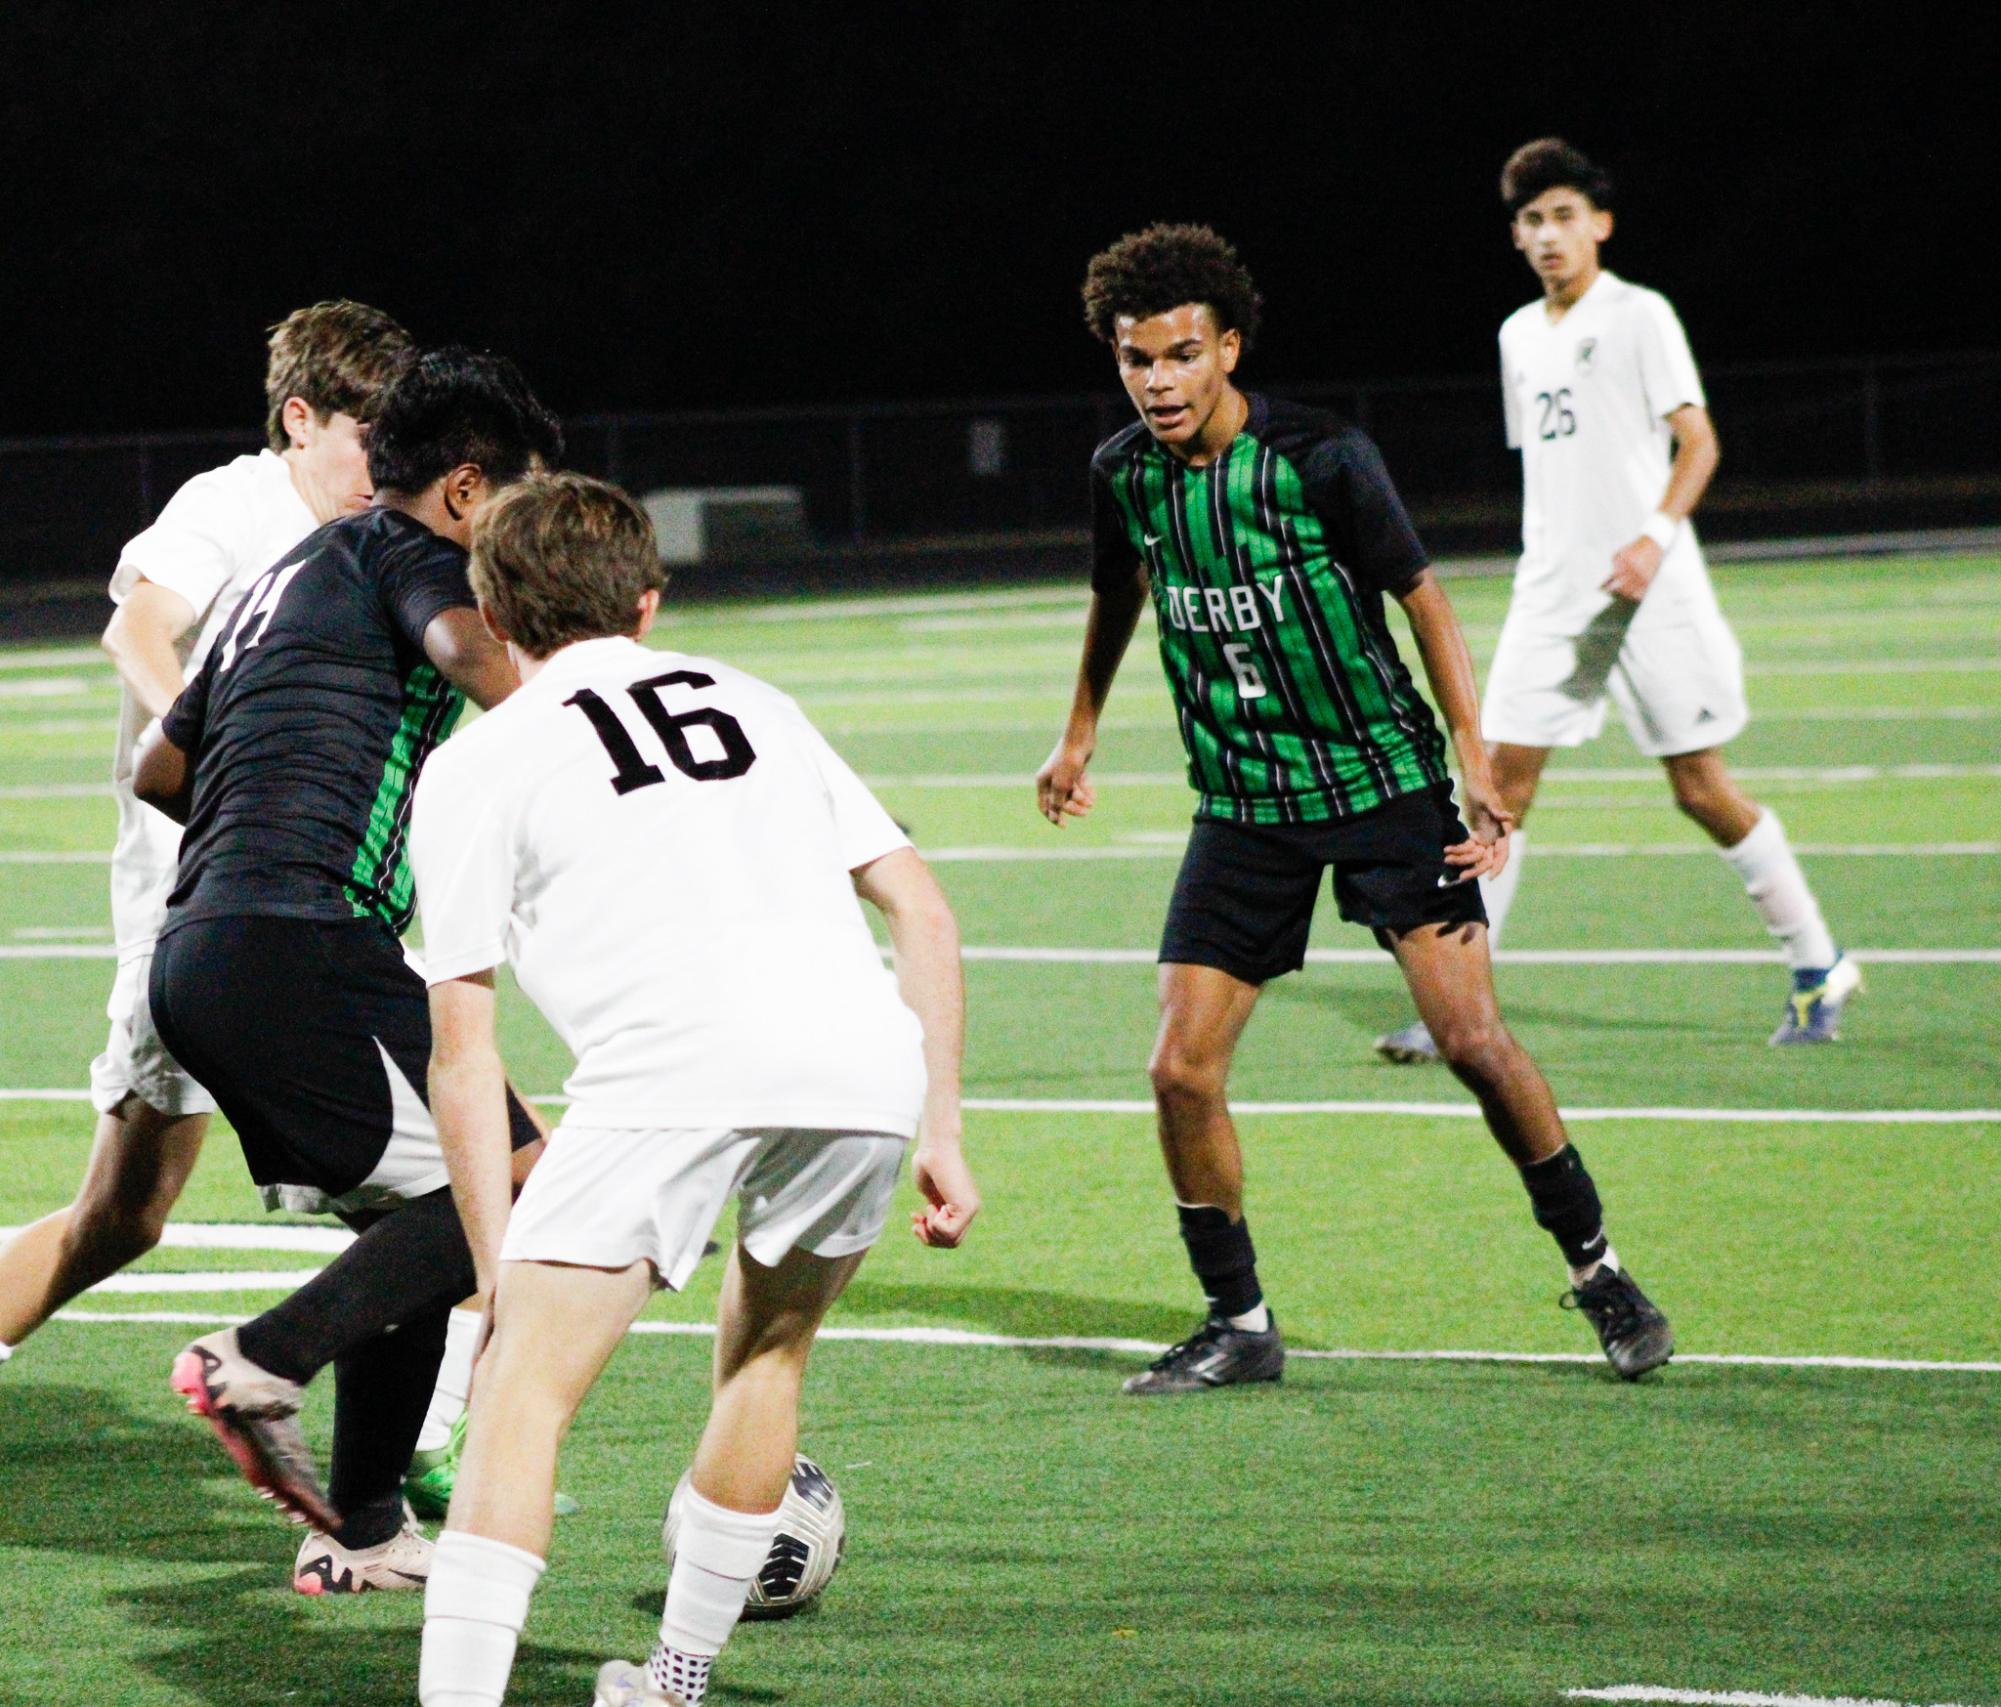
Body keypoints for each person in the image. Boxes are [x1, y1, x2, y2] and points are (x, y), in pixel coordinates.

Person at [1037, 223, 1672, 1394]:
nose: (1160, 382)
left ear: (1228, 346)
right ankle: (1240, 1321)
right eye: (1137, 361)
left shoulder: (1324, 458)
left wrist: (1472, 754)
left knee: (1473, 1042)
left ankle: (1599, 1271)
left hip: (1382, 784)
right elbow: (1113, 593)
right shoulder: (1120, 473)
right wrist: (1078, 732)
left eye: (1182, 355)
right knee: (1179, 1069)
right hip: (1243, 804)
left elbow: (1423, 600)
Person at [408, 472, 978, 1707]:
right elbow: (921, 906)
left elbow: (463, 1045)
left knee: (521, 1396)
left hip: (666, 1070)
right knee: (768, 1356)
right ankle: (671, 1683)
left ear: (492, 612)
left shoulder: (480, 761)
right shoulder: (762, 701)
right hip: (860, 1069)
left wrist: (494, 1260)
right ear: (649, 604)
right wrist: (941, 1123)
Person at [135, 347, 564, 1592]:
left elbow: (161, 771)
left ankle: (362, 1528)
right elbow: (479, 665)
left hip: (210, 941)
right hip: (300, 934)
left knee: (415, 1211)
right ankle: (264, 1356)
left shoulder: (286, 575)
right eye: (522, 508)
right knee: (517, 1179)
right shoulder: (416, 555)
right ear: (471, 491)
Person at [1374, 138, 1857, 1064]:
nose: (1547, 236)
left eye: (1562, 215)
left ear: (1598, 222)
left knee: (1699, 788)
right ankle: (1461, 1011)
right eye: (1529, 221)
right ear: (1514, 237)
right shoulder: (1518, 334)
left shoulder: (1640, 316)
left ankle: (1817, 961)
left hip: (1651, 595)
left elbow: (1698, 442)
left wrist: (1651, 536)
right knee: (1491, 796)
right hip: (1553, 596)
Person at [0, 302, 413, 1369]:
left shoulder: (379, 533)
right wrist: (218, 753)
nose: (386, 458)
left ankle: (402, 1473)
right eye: (367, 433)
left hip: (318, 917)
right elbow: (134, 624)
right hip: (202, 913)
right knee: (124, 1220)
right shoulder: (233, 502)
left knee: (429, 1203)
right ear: (300, 418)